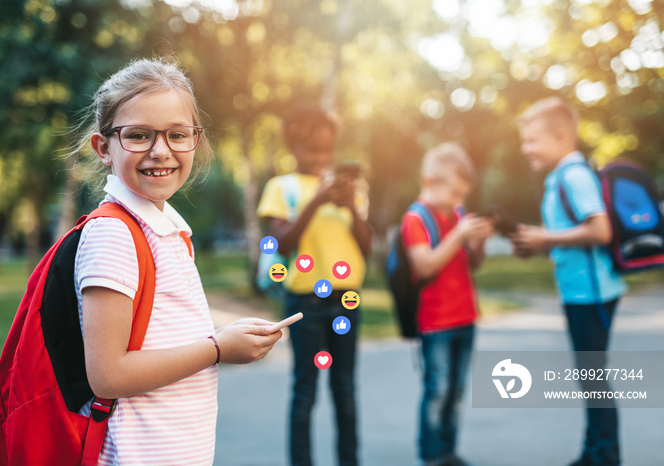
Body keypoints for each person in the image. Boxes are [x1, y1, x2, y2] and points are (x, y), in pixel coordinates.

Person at [72, 57, 283, 465]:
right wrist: (218, 348)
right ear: (103, 147)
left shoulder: (164, 228)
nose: (160, 151)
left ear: (195, 140)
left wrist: (222, 339)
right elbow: (108, 374)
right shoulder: (115, 233)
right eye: (138, 135)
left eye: (176, 134)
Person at [511, 97, 626, 466]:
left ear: (561, 137)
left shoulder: (574, 176)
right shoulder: (561, 177)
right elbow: (573, 235)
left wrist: (546, 239)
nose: (525, 148)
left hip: (591, 294)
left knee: (593, 377)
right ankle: (596, 451)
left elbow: (600, 230)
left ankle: (604, 455)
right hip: (581, 291)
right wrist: (539, 244)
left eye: (532, 140)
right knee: (591, 376)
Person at [257, 106, 373, 466]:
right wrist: (317, 201)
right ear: (294, 148)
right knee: (305, 389)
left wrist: (351, 206)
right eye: (313, 151)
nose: (322, 159)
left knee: (345, 389)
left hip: (347, 298)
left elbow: (367, 246)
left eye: (328, 151)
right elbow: (282, 243)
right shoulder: (281, 188)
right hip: (305, 300)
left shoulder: (349, 193)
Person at [401, 143, 493, 466]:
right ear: (429, 182)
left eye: (462, 194)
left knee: (455, 392)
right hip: (435, 321)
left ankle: (449, 450)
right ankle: (430, 454)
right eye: (453, 192)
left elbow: (473, 263)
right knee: (437, 390)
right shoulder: (416, 219)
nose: (459, 201)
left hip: (465, 316)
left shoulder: (458, 215)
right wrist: (458, 234)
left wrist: (478, 241)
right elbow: (425, 266)